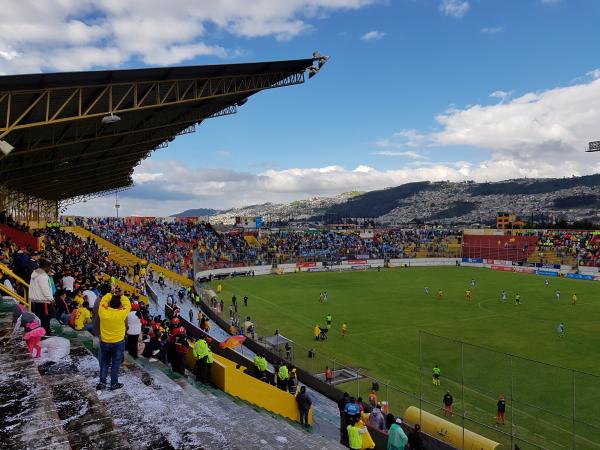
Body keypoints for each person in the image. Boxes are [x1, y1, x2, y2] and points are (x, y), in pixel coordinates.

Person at [97, 291, 131, 390]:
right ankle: (113, 383)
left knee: (104, 362)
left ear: (109, 303)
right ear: (120, 305)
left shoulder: (103, 311)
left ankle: (102, 382)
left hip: (105, 341)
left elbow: (103, 300)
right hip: (118, 342)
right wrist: (122, 295)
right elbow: (127, 304)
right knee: (116, 363)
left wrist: (110, 293)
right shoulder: (122, 313)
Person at [28, 259, 55, 335]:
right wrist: (51, 299)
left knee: (40, 317)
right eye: (49, 267)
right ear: (46, 267)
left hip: (37, 300)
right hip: (43, 300)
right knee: (45, 318)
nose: (50, 269)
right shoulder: (42, 276)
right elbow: (45, 289)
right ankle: (46, 333)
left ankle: (41, 332)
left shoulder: (35, 272)